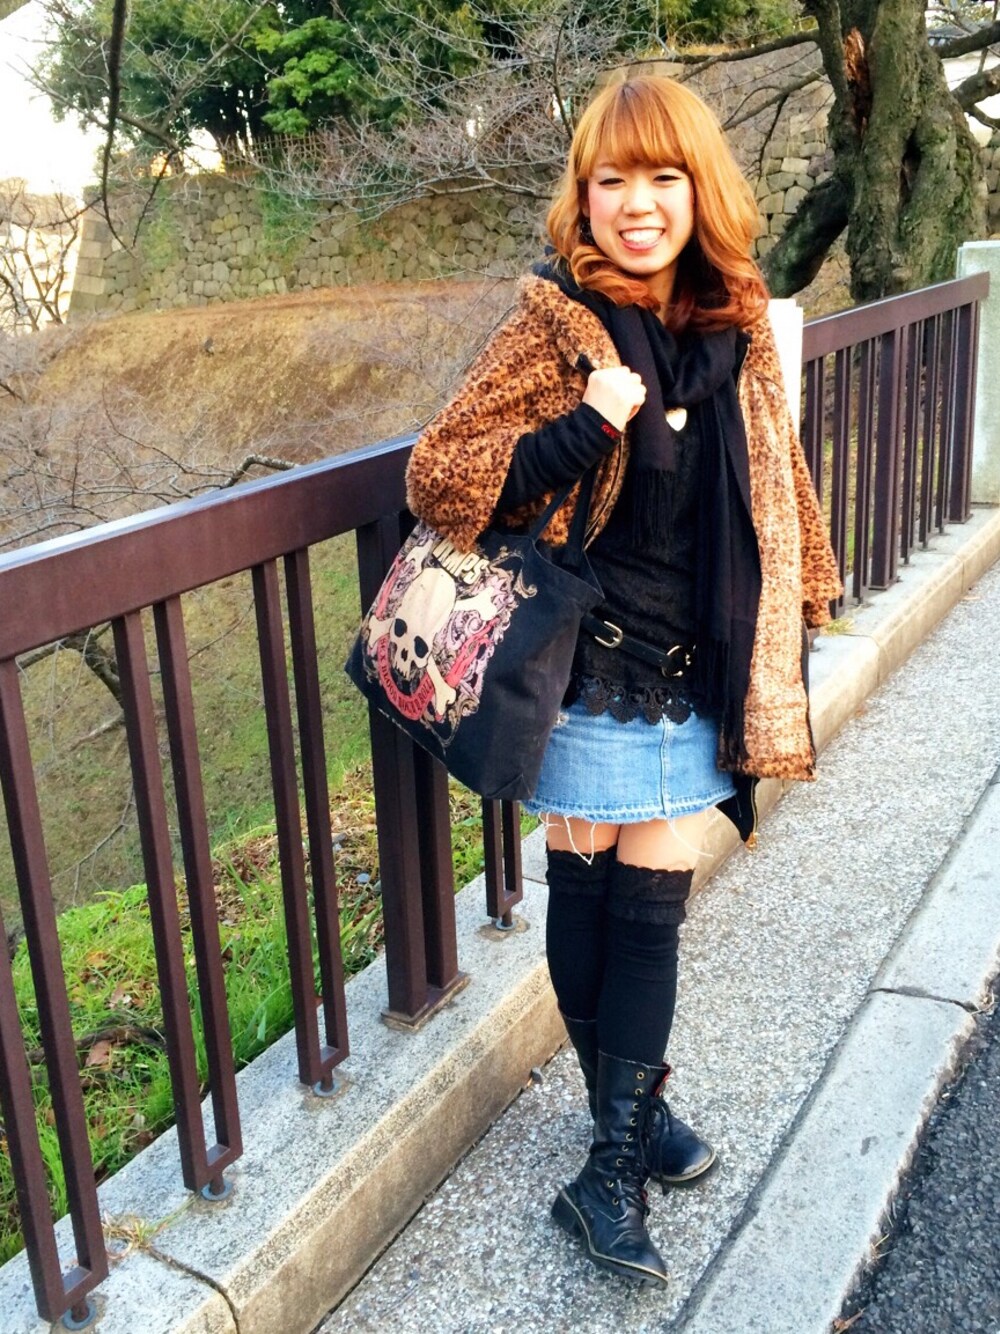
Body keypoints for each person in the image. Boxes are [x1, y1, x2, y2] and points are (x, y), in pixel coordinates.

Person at [405, 73, 842, 1288]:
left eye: (662, 178)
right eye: (612, 180)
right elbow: (441, 476)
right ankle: (615, 1158)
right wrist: (583, 427)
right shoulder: (554, 324)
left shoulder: (736, 321)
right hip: (588, 668)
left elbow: (776, 471)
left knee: (648, 914)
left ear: (701, 191)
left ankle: (621, 1126)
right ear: (583, 195)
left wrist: (808, 587)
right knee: (594, 897)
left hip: (697, 660)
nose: (637, 204)